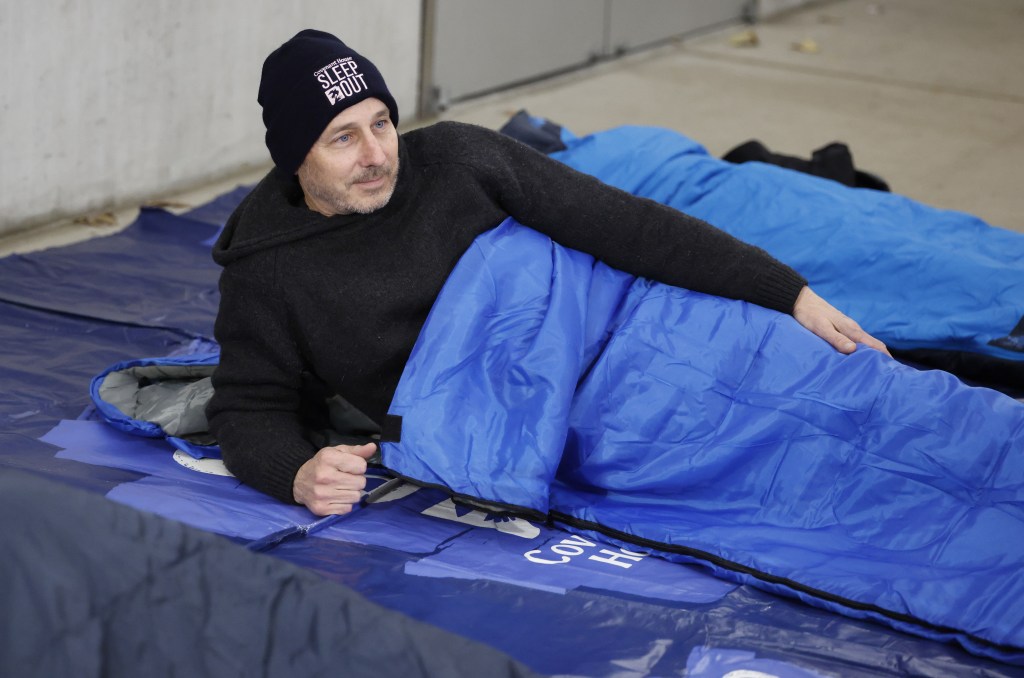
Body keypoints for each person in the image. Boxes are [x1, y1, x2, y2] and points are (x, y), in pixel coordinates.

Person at [207, 29, 889, 517]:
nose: (377, 154)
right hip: (563, 423)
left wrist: (787, 291)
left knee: (851, 378)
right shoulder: (269, 271)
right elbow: (247, 405)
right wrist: (295, 474)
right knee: (801, 469)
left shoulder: (457, 159)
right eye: (343, 138)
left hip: (630, 330)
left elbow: (623, 226)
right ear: (296, 158)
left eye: (381, 123)